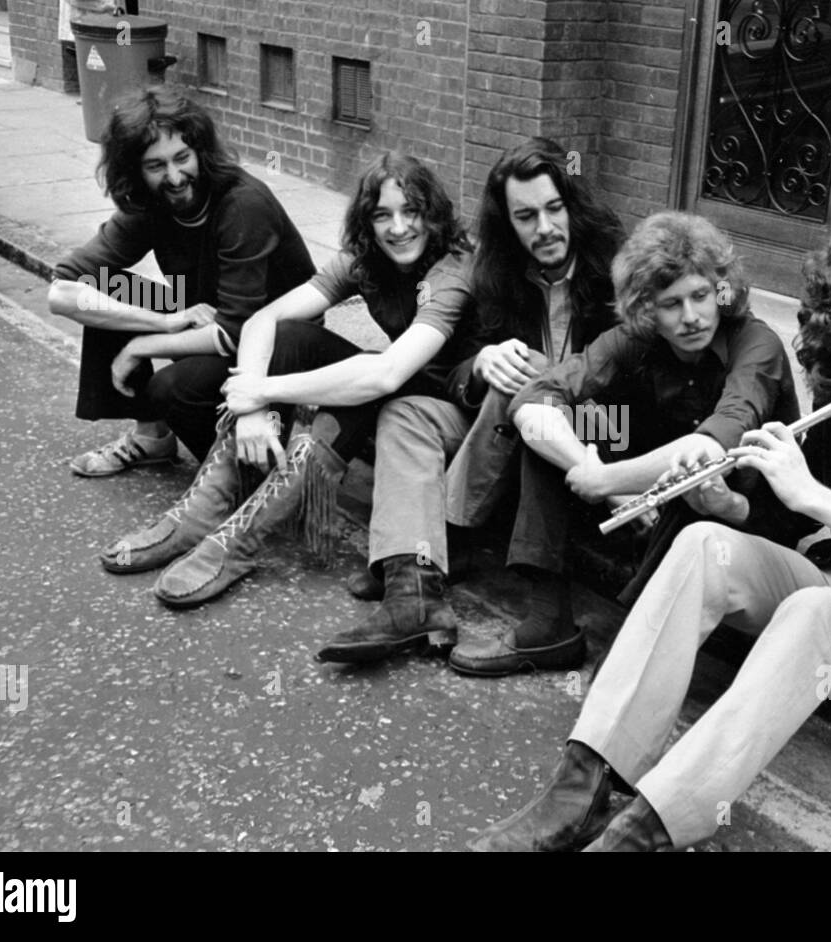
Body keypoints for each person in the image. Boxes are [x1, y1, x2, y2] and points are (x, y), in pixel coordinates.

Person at [471, 225, 831, 851]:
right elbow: (792, 525)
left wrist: (819, 498)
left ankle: (653, 827)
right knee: (703, 545)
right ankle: (581, 786)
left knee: (816, 611)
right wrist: (731, 504)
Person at [99, 153, 475, 617]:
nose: (397, 228)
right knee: (294, 337)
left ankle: (242, 541)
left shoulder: (453, 271)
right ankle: (204, 512)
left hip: (457, 416)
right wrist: (254, 403)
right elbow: (265, 318)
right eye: (382, 215)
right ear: (367, 221)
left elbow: (387, 374)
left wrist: (267, 391)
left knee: (364, 381)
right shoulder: (366, 260)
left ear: (432, 214)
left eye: (411, 211)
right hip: (403, 386)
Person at [313, 136, 625, 666]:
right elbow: (456, 369)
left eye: (555, 209)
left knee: (531, 400)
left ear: (574, 206)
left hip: (601, 430)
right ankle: (413, 589)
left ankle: (496, 581)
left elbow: (636, 368)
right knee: (409, 411)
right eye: (526, 216)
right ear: (508, 222)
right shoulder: (498, 274)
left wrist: (552, 382)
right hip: (503, 426)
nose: (544, 228)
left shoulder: (616, 269)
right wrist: (480, 365)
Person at [445, 211, 799, 678]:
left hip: (742, 508)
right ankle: (549, 621)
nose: (691, 317)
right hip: (648, 486)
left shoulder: (757, 343)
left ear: (722, 291)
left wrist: (605, 477)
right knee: (557, 424)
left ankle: (638, 650)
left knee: (689, 476)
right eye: (672, 304)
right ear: (648, 307)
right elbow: (534, 399)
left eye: (701, 296)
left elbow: (711, 450)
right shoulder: (636, 338)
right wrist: (608, 485)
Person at [48, 86, 315, 475]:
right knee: (106, 286)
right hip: (205, 318)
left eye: (182, 158)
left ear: (200, 153)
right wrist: (162, 322)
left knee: (170, 387)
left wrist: (142, 345)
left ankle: (238, 472)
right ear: (136, 170)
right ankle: (152, 437)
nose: (174, 177)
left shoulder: (242, 205)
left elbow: (235, 329)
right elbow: (62, 291)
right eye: (156, 166)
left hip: (278, 340)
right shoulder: (148, 205)